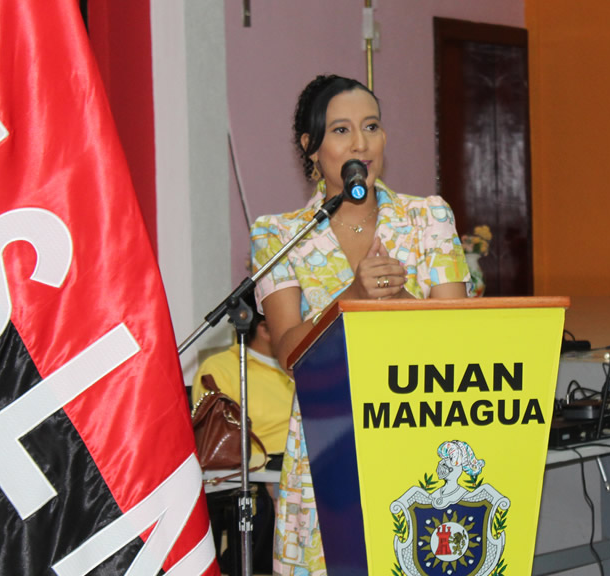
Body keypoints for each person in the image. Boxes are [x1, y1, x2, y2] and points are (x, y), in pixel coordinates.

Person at [249, 74, 471, 575]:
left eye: (371, 126)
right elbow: (288, 351)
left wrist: (402, 296)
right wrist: (351, 297)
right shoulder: (280, 235)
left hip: (418, 433)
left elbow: (458, 336)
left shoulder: (426, 218)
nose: (361, 143)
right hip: (326, 448)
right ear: (311, 148)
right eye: (342, 130)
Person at [190, 294, 294, 573]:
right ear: (264, 328)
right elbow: (216, 440)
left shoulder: (301, 366)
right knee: (271, 500)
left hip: (302, 459)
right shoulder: (221, 369)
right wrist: (273, 472)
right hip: (255, 470)